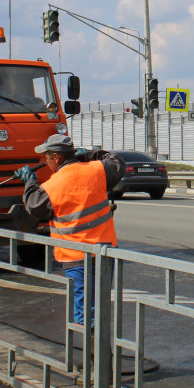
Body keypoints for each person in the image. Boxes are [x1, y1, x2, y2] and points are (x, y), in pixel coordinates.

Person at [15, 133, 123, 326]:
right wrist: (89, 154)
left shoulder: (51, 186)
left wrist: (29, 182)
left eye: (46, 157)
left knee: (84, 312)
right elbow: (117, 163)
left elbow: (33, 207)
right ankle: (103, 349)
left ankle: (94, 351)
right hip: (105, 252)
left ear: (55, 158)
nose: (45, 162)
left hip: (76, 257)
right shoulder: (96, 170)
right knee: (101, 305)